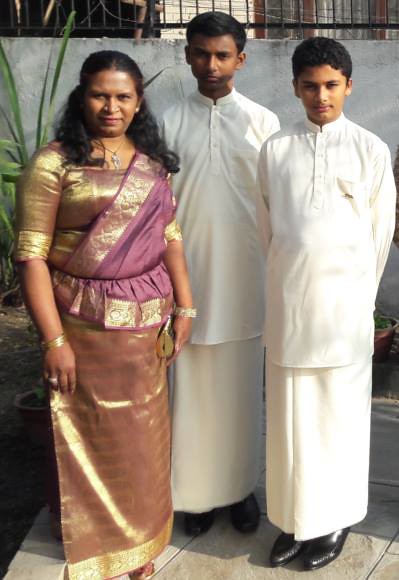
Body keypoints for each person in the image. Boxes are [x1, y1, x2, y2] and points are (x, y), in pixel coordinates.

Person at [15, 50, 194, 580]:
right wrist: (54, 342)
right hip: (82, 327)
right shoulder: (53, 163)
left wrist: (186, 304)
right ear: (81, 97)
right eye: (100, 95)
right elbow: (31, 255)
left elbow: (170, 237)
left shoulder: (152, 162)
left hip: (146, 329)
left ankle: (140, 546)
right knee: (90, 438)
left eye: (123, 96)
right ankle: (98, 553)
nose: (111, 107)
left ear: (139, 102)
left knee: (142, 442)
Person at [256, 37, 396, 571]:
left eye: (331, 85)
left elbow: (379, 238)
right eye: (310, 86)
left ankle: (333, 522)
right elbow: (269, 231)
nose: (321, 96)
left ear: (349, 87)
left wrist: (355, 302)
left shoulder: (369, 149)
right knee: (290, 419)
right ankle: (293, 520)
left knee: (337, 420)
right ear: (295, 88)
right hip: (289, 306)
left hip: (342, 313)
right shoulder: (275, 149)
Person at [162, 11, 280, 536]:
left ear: (241, 59)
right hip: (184, 281)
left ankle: (238, 491)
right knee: (187, 391)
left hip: (245, 279)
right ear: (187, 55)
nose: (211, 65)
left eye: (222, 55)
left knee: (238, 392)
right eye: (201, 53)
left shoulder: (264, 123)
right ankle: (195, 496)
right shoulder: (163, 121)